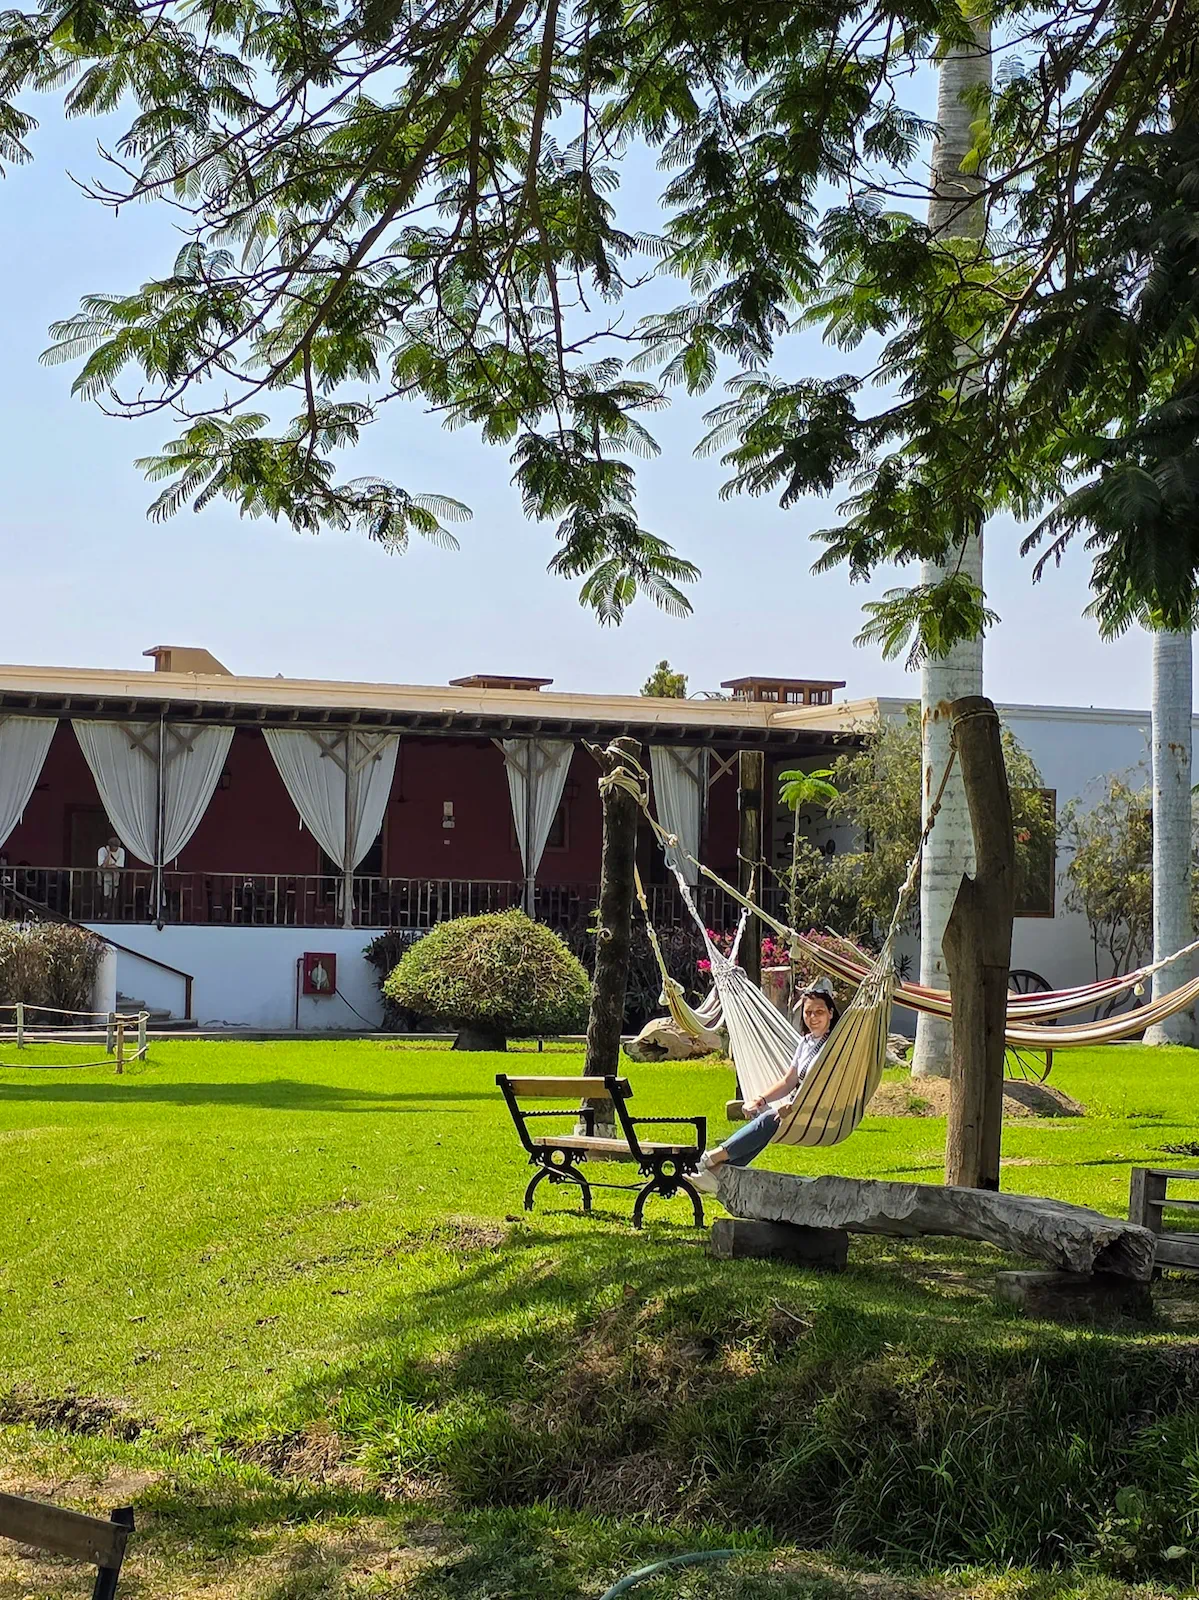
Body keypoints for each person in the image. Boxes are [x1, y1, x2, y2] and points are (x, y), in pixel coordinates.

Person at [691, 977, 841, 1193]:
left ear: (831, 1013)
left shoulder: (835, 1046)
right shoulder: (805, 1042)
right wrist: (760, 1099)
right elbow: (789, 1081)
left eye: (819, 1012)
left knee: (770, 1119)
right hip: (796, 1108)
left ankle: (708, 1159)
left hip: (819, 1111)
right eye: (808, 1012)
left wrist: (794, 1107)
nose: (812, 1017)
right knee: (767, 1121)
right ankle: (716, 1176)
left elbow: (826, 1084)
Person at [97, 835, 125, 908]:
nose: (116, 849)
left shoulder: (121, 851)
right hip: (103, 877)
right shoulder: (102, 850)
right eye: (114, 847)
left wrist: (107, 866)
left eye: (117, 847)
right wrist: (109, 854)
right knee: (104, 896)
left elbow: (118, 865)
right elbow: (103, 866)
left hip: (114, 877)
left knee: (112, 897)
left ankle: (110, 912)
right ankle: (103, 911)